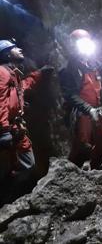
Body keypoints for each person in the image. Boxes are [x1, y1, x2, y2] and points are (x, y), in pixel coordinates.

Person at [59, 29, 102, 170]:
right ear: (74, 46)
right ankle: (70, 174)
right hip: (81, 111)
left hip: (96, 109)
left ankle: (95, 168)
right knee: (83, 147)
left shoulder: (93, 63)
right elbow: (70, 95)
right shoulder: (68, 69)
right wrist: (89, 109)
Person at [0, 39, 53, 185]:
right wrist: (3, 130)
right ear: (7, 54)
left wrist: (39, 73)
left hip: (16, 129)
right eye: (14, 48)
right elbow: (0, 102)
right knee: (9, 167)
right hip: (6, 130)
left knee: (27, 164)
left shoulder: (13, 74)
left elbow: (23, 86)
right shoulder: (1, 72)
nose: (19, 49)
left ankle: (13, 193)